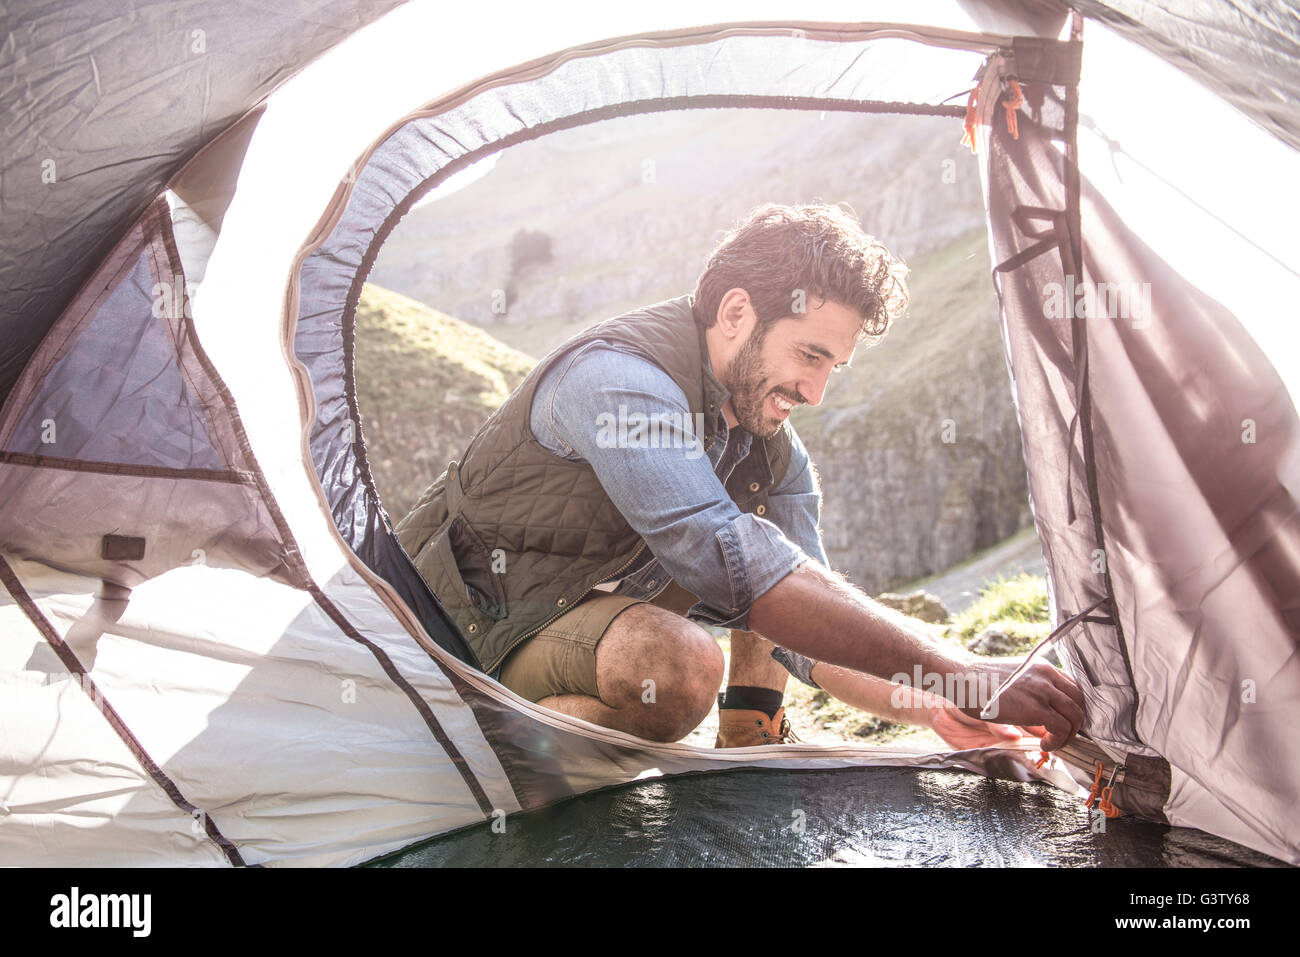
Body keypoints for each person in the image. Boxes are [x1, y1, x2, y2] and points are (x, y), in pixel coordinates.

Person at [394, 202, 1085, 750]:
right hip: (470, 633)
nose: (814, 391)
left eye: (831, 368)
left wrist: (940, 703)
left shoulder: (770, 449)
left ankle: (750, 737)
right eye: (808, 355)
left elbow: (813, 641)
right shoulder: (616, 383)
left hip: (582, 627)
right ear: (735, 313)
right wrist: (962, 672)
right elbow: (723, 556)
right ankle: (495, 752)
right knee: (683, 662)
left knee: (787, 579)